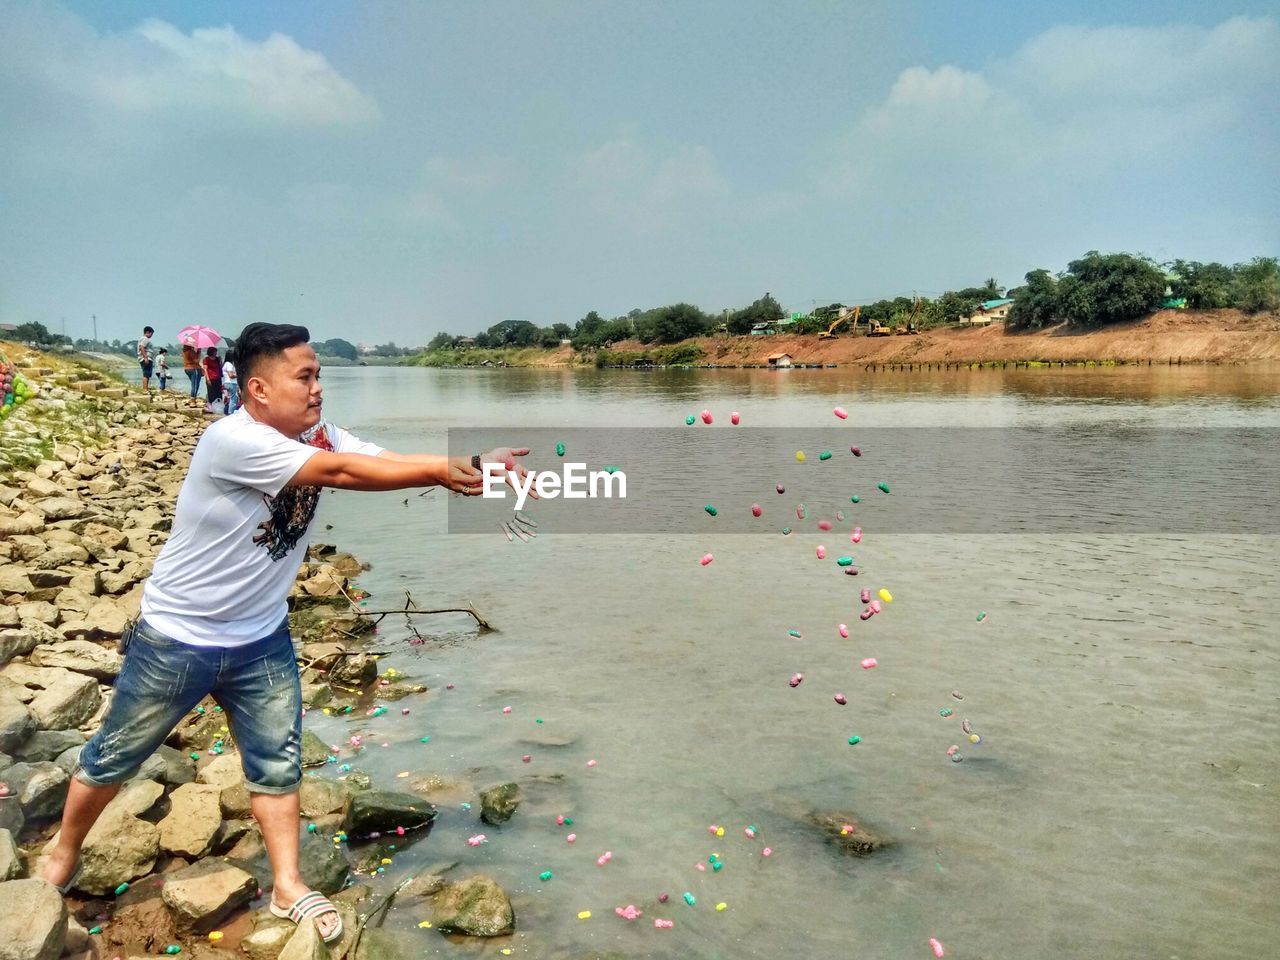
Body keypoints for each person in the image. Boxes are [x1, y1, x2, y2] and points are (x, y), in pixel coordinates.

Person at [39, 321, 531, 944]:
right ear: (259, 389)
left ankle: (288, 884)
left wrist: (470, 466)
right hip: (178, 637)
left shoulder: (313, 433)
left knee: (278, 764)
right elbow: (343, 475)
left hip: (260, 638)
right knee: (114, 756)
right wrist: (438, 472)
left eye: (319, 374)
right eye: (305, 376)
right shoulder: (232, 440)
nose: (319, 388)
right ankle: (62, 851)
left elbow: (373, 458)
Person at [203, 347, 223, 414]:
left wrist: (220, 360)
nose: (216, 353)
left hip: (218, 377)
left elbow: (221, 367)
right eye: (215, 351)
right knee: (211, 393)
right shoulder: (206, 359)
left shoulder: (217, 359)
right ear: (211, 352)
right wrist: (207, 379)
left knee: (218, 392)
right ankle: (211, 407)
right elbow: (205, 369)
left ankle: (218, 406)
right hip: (211, 378)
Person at [137, 326, 154, 392]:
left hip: (146, 358)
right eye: (151, 334)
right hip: (145, 358)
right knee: (146, 374)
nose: (151, 335)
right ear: (147, 332)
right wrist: (146, 358)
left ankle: (146, 388)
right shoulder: (145, 339)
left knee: (147, 374)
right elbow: (142, 347)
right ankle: (145, 389)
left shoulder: (144, 339)